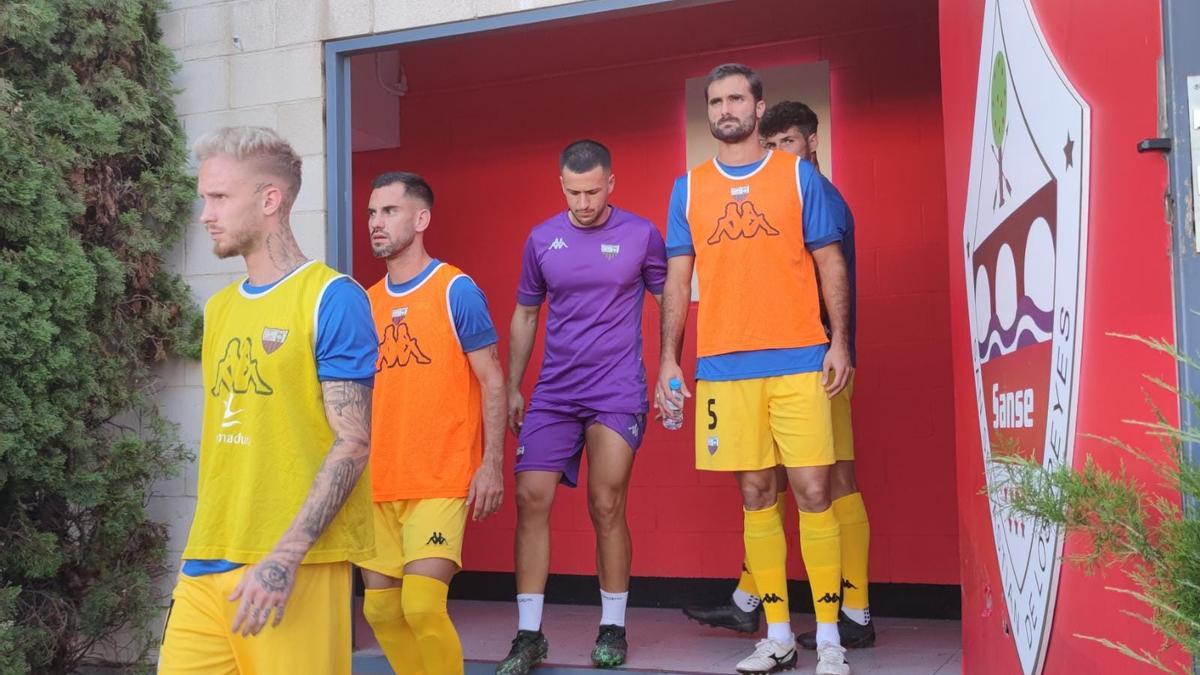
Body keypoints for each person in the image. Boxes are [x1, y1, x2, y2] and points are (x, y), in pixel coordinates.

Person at [159, 127, 377, 675]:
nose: (205, 213)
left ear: (270, 199)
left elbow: (353, 441)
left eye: (220, 197)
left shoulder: (332, 297)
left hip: (294, 564)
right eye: (204, 197)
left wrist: (284, 558)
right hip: (208, 556)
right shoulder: (220, 309)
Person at [657, 66, 852, 675]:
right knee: (754, 495)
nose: (725, 108)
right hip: (725, 368)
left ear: (758, 106)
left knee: (815, 492)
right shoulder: (687, 189)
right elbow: (678, 278)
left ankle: (829, 640)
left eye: (736, 97)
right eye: (715, 100)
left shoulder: (797, 177)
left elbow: (830, 262)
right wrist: (668, 358)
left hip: (799, 359)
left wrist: (839, 342)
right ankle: (776, 636)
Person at [497, 140, 666, 673]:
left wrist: (671, 366)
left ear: (611, 183)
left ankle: (613, 626)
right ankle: (529, 636)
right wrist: (513, 386)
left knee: (606, 503)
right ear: (561, 186)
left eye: (593, 190)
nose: (584, 202)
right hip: (555, 391)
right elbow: (526, 315)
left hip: (616, 389)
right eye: (574, 192)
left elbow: (670, 300)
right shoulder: (543, 239)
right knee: (531, 497)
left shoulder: (641, 234)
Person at [358, 172, 507, 674]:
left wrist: (491, 464)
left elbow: (492, 380)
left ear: (421, 219)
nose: (376, 223)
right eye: (372, 213)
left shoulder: (455, 290)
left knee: (421, 606)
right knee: (379, 609)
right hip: (378, 481)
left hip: (440, 480)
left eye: (389, 212)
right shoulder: (367, 302)